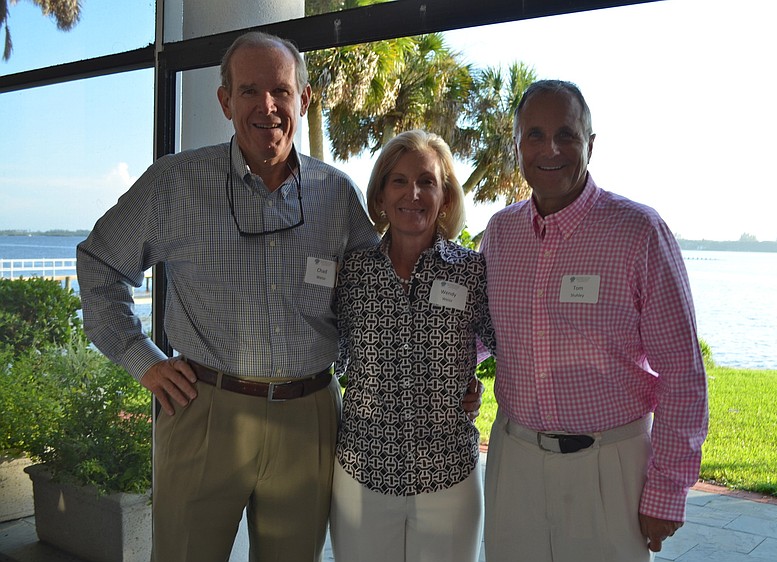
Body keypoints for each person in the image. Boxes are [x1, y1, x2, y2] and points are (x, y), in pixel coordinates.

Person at [76, 32, 480, 562]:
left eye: (281, 91)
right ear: (225, 101)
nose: (267, 106)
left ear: (304, 99)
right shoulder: (174, 183)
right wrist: (142, 361)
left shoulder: (336, 195)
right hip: (204, 410)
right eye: (249, 91)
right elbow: (100, 260)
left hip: (307, 417)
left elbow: (386, 288)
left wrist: (449, 375)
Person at [479, 80, 709, 562]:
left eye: (566, 134)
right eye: (535, 135)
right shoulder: (500, 233)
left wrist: (666, 490)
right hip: (513, 460)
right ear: (518, 144)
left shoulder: (639, 231)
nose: (551, 149)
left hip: (611, 467)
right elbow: (485, 334)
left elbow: (683, 375)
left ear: (590, 143)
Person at [329, 129, 495, 562]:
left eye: (427, 181)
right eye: (399, 181)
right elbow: (325, 347)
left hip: (449, 476)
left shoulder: (471, 272)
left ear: (446, 198)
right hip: (362, 473)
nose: (413, 193)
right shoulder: (352, 272)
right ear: (381, 196)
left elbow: (505, 342)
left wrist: (465, 382)